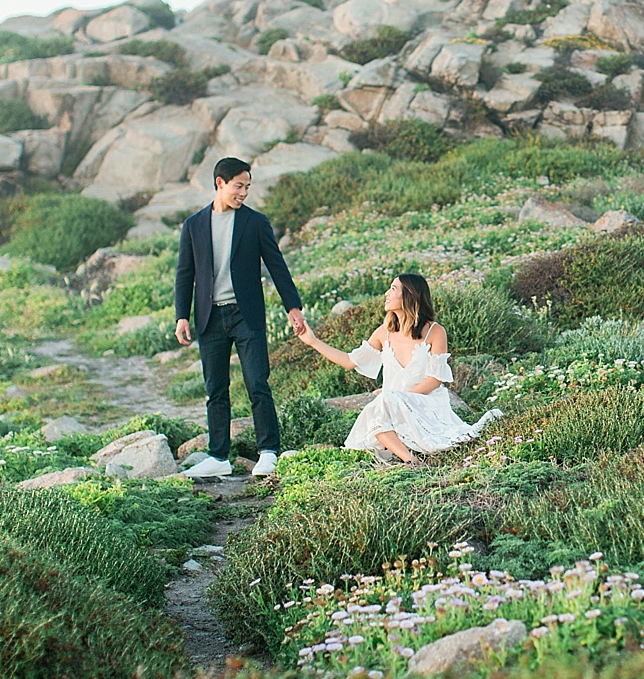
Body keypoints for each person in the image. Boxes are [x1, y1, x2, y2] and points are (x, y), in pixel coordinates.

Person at [174, 156, 306, 479]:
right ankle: (219, 455)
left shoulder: (255, 222)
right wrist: (181, 316)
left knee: (257, 383)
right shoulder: (193, 225)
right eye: (239, 186)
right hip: (209, 317)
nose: (244, 193)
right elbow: (185, 273)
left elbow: (277, 266)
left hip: (246, 315)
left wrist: (293, 307)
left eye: (248, 187)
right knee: (215, 388)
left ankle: (268, 452)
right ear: (220, 183)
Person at [295, 273, 500, 464]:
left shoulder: (435, 332)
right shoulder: (384, 332)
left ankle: (407, 455)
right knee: (379, 407)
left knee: (383, 401)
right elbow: (350, 361)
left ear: (409, 296)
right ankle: (410, 461)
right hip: (391, 405)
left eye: (393, 289)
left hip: (424, 402)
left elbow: (434, 380)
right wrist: (312, 341)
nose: (386, 293)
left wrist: (399, 399)